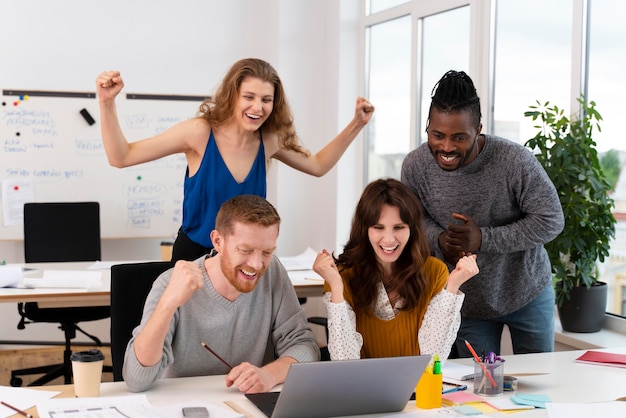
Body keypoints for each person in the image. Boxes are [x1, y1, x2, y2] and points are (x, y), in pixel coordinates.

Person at [96, 58, 375, 262]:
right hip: (195, 258)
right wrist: (107, 103)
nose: (258, 107)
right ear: (232, 96)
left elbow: (317, 165)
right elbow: (121, 157)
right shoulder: (199, 133)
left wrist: (357, 124)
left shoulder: (269, 140)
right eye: (249, 97)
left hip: (246, 262)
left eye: (266, 99)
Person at [401, 70, 565, 357]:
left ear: (478, 129)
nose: (447, 147)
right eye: (437, 135)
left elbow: (551, 220)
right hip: (467, 301)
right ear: (427, 127)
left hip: (527, 291)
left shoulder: (515, 161)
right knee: (478, 390)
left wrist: (483, 239)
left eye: (459, 137)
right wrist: (439, 240)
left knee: (540, 382)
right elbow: (412, 221)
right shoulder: (415, 165)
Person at [123, 194, 320, 393]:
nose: (257, 264)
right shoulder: (171, 282)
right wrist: (167, 304)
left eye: (267, 252)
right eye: (245, 250)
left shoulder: (272, 272)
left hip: (246, 404)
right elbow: (136, 380)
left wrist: (270, 375)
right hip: (182, 404)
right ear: (218, 241)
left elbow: (305, 346)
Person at [312, 178, 479, 361]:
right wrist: (336, 286)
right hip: (364, 387)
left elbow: (433, 357)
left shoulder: (434, 271)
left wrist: (453, 287)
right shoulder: (342, 275)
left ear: (412, 229)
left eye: (398, 227)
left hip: (418, 386)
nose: (389, 239)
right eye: (378, 228)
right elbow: (344, 361)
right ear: (365, 229)